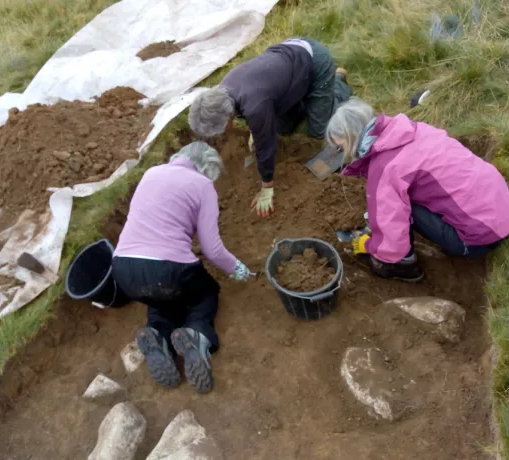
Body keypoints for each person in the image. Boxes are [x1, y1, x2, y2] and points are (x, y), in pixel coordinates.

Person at [112, 141, 252, 393]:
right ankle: (196, 334)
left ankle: (157, 333)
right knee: (204, 293)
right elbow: (212, 248)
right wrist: (236, 268)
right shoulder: (202, 185)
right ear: (206, 169)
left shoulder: (151, 173)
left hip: (123, 268)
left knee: (161, 300)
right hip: (170, 269)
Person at [325, 98, 509, 282]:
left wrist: (371, 244)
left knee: (398, 209)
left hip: (480, 237)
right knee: (403, 194)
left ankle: (404, 266)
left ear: (353, 137)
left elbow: (391, 230)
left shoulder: (386, 167)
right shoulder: (415, 130)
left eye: (341, 147)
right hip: (501, 204)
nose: (342, 153)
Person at [189, 37, 352, 218]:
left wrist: (267, 186)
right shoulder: (223, 92)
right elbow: (256, 104)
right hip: (287, 67)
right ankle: (306, 99)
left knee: (318, 130)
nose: (221, 132)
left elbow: (266, 146)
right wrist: (255, 127)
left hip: (314, 62)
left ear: (227, 117)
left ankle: (337, 84)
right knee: (283, 128)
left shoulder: (254, 104)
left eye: (219, 128)